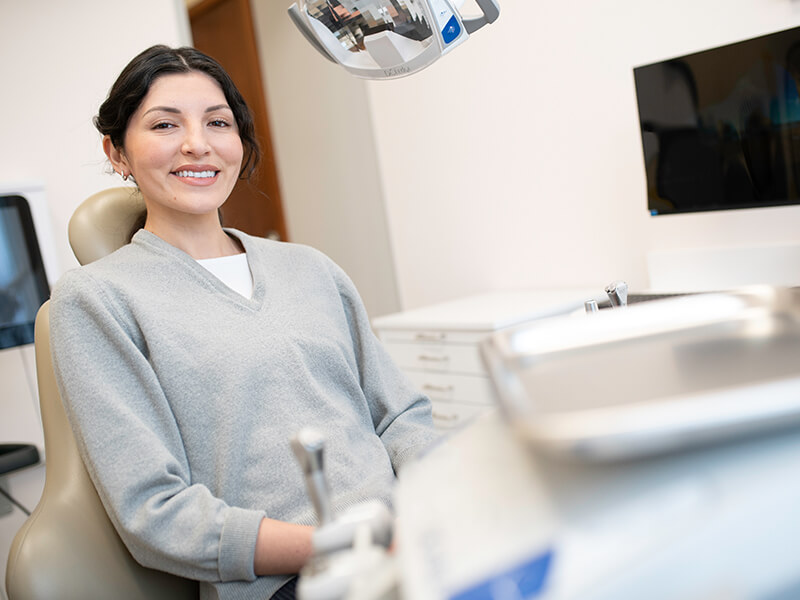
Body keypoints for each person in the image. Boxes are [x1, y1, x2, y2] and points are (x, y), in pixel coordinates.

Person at [49, 44, 438, 600]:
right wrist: (344, 543)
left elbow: (401, 416)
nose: (197, 144)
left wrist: (435, 508)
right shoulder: (96, 301)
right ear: (117, 153)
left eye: (218, 122)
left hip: (415, 543)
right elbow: (155, 514)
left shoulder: (310, 268)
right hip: (296, 577)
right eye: (164, 124)